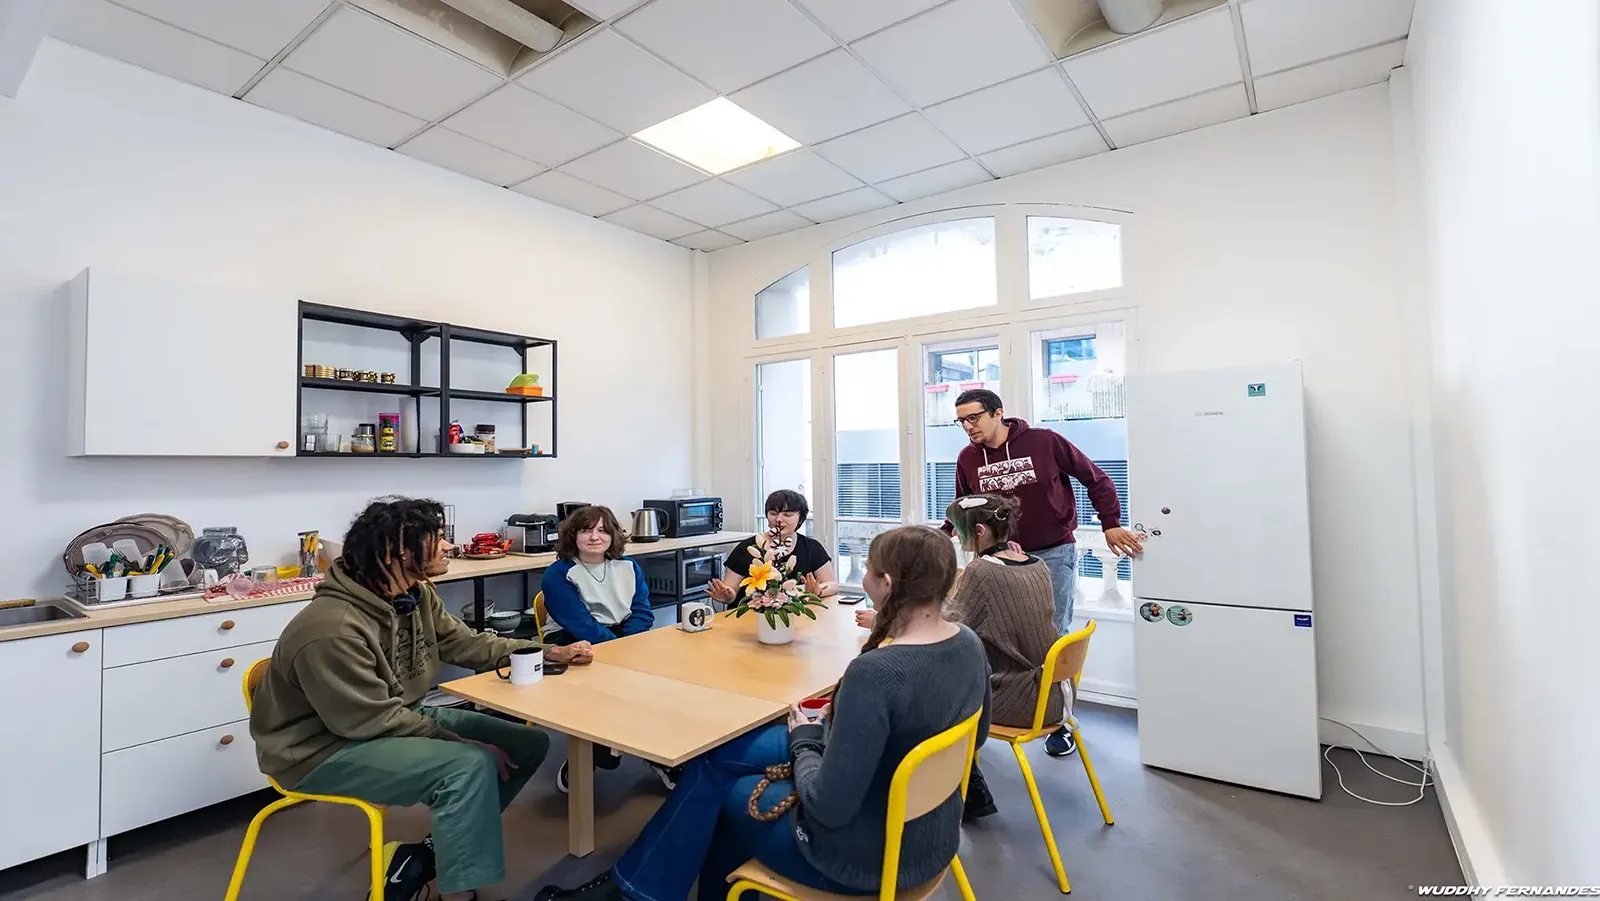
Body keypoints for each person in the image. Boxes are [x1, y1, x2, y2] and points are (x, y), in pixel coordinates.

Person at [533, 526, 992, 901]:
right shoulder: (967, 643)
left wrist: (806, 737)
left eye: (868, 570)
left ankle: (636, 889)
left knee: (727, 795)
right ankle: (638, 887)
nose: (864, 578)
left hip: (862, 857)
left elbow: (828, 806)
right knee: (721, 753)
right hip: (930, 835)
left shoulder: (876, 673)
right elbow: (980, 734)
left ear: (886, 585)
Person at [249, 497, 594, 901]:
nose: (450, 546)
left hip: (395, 717)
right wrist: (464, 744)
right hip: (320, 750)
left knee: (528, 743)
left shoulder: (413, 594)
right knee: (468, 765)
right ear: (398, 552)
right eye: (437, 539)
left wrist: (543, 651)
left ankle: (430, 855)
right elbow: (367, 722)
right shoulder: (332, 629)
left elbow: (462, 642)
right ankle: (459, 893)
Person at [943, 388, 1141, 757]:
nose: (968, 427)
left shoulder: (1044, 442)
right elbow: (963, 509)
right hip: (998, 557)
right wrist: (940, 538)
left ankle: (1060, 721)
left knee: (1051, 638)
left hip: (1052, 552)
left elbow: (1096, 479)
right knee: (986, 638)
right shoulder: (968, 458)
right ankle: (994, 711)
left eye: (974, 418)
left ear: (998, 413)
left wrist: (1110, 523)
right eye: (961, 421)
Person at [860, 493, 1062, 821]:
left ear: (979, 532)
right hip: (1051, 692)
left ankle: (951, 789)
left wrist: (885, 622)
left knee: (928, 694)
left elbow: (947, 629)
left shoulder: (982, 571)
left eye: (959, 531)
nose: (954, 536)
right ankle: (970, 788)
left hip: (1018, 696)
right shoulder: (1035, 564)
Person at [539, 505, 675, 792]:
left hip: (623, 636)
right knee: (611, 685)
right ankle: (588, 756)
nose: (594, 537)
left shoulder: (628, 567)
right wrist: (619, 653)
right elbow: (580, 624)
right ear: (572, 535)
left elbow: (641, 612)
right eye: (586, 530)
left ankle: (660, 754)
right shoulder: (558, 574)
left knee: (665, 681)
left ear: (613, 535)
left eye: (602, 530)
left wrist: (630, 644)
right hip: (574, 640)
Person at [707, 489, 838, 606]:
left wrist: (818, 591)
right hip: (753, 617)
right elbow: (730, 591)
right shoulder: (748, 548)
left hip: (798, 619)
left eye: (787, 515)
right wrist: (727, 596)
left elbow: (832, 585)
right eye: (773, 513)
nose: (779, 519)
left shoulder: (812, 548)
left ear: (801, 518)